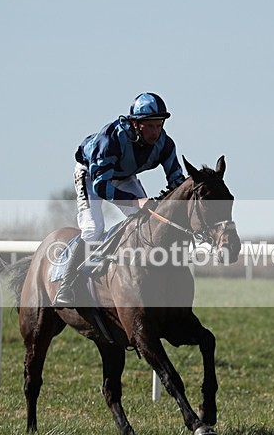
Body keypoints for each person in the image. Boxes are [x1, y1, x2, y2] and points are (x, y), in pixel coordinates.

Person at [53, 92, 186, 306]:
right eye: (150, 126)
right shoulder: (110, 139)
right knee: (94, 229)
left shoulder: (165, 144)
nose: (156, 132)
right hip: (91, 175)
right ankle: (65, 285)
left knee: (145, 222)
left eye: (159, 125)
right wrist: (136, 201)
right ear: (135, 124)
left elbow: (177, 181)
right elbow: (102, 186)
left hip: (123, 176)